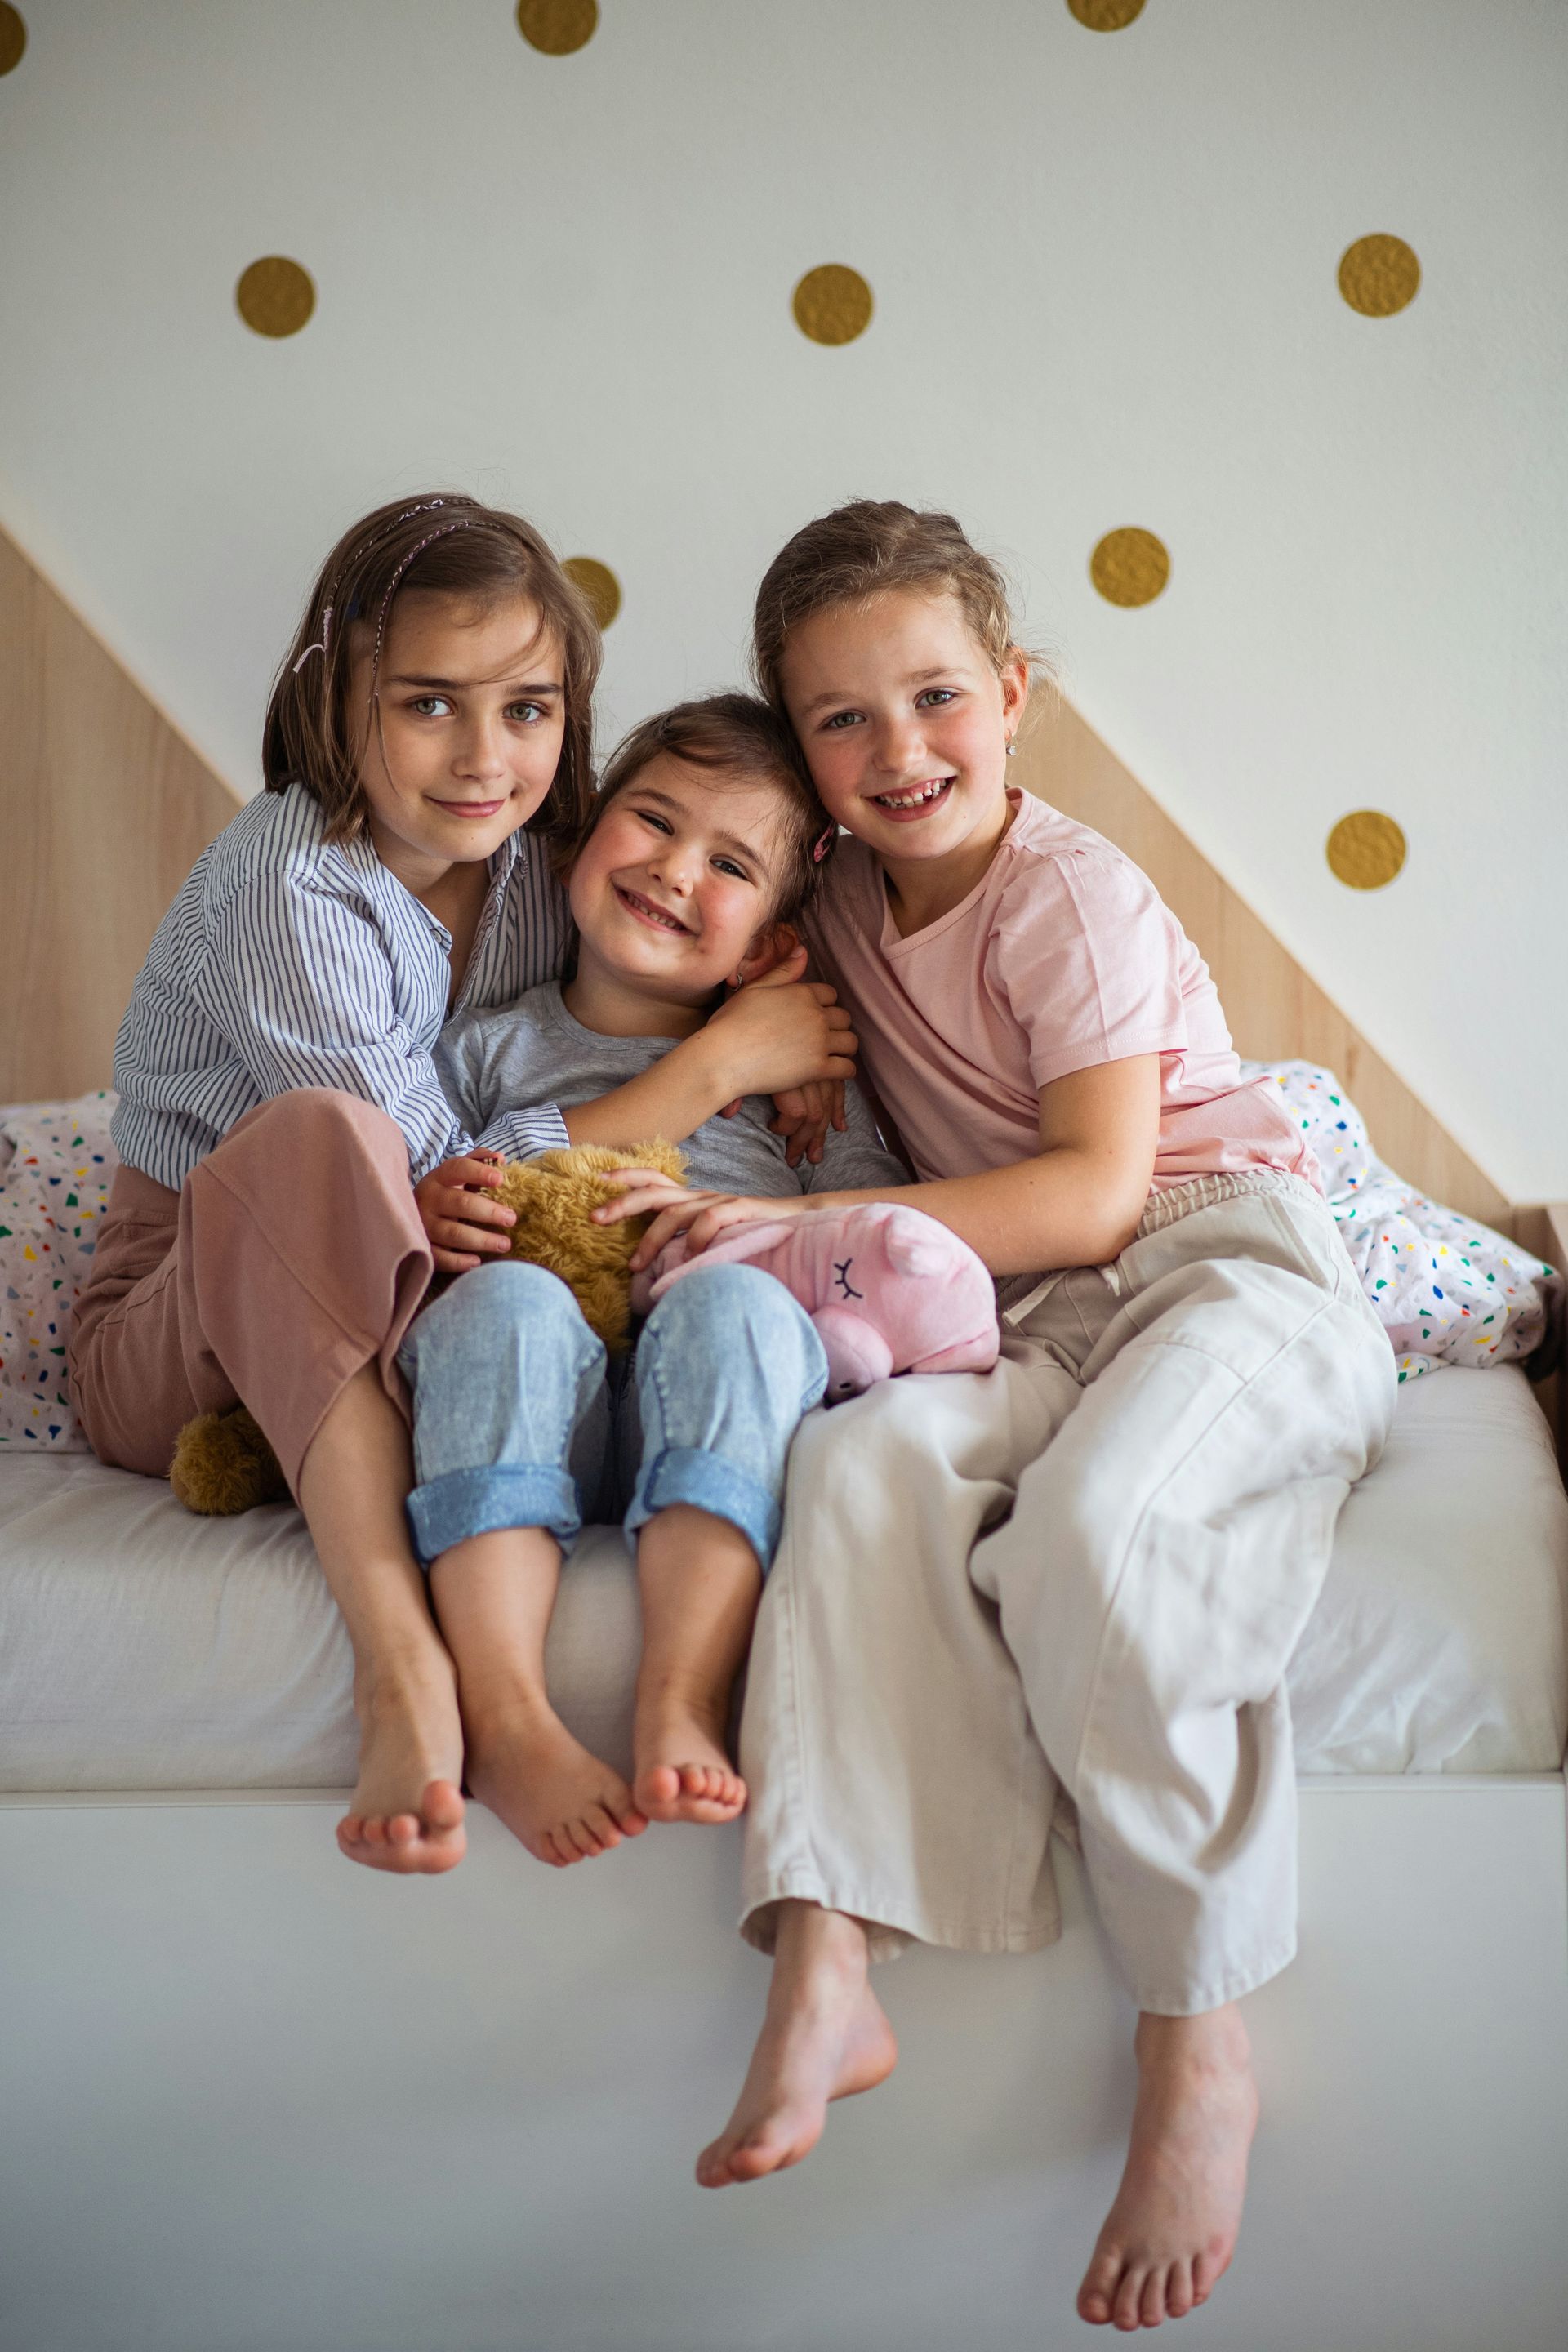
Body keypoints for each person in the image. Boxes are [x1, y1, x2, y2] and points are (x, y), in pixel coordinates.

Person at [602, 503, 1396, 2331]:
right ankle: (830, 1958)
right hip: (1005, 1310)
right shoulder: (841, 916)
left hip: (1218, 1272)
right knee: (857, 1466)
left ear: (1015, 694)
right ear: (800, 752)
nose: (901, 755)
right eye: (842, 723)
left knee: (1106, 1534)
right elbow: (666, 966)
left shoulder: (1072, 894)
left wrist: (798, 1226)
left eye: (938, 698)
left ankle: (1198, 2034)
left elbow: (1101, 1193)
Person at [67, 495, 856, 1879]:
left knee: (511, 1286)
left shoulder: (542, 865)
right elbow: (445, 1175)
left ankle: (598, 1659)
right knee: (331, 1140)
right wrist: (722, 1063)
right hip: (188, 1318)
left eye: (530, 709)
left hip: (409, 1291)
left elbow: (672, 946)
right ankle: (412, 1679)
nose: (487, 758)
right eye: (430, 704)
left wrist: (789, 1031)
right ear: (337, 696)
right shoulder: (292, 879)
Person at [394, 693, 903, 1869]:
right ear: (585, 836)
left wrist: (747, 1222)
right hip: (529, 1402)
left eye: (728, 862)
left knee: (739, 1302)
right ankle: (508, 1712)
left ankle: (681, 1693)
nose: (675, 871)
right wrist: (433, 1202)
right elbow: (446, 1192)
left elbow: (872, 1245)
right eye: (653, 822)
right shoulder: (484, 1046)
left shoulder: (810, 1084)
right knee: (511, 1301)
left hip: (710, 1404)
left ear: (774, 939)